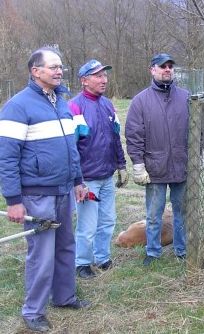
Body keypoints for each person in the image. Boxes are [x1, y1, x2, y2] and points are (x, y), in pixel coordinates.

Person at [0, 47, 90, 332]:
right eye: (53, 67)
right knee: (42, 253)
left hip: (64, 191)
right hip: (37, 193)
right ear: (35, 71)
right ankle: (33, 310)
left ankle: (64, 296)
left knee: (65, 246)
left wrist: (78, 180)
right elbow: (7, 157)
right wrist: (14, 200)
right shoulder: (18, 106)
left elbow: (71, 148)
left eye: (61, 67)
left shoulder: (61, 102)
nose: (59, 71)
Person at [125, 53, 190, 266]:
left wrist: (195, 160)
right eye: (163, 66)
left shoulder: (186, 97)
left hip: (181, 166)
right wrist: (137, 164)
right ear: (152, 70)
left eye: (170, 66)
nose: (167, 69)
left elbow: (197, 132)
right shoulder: (140, 101)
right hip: (155, 167)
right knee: (154, 214)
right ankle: (153, 252)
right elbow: (134, 136)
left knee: (182, 211)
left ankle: (182, 250)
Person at [68, 59, 129, 279]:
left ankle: (102, 258)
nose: (104, 80)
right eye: (98, 76)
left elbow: (115, 139)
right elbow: (70, 148)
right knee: (87, 224)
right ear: (84, 80)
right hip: (88, 179)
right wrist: (78, 180)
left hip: (107, 176)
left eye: (105, 75)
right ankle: (82, 262)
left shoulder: (108, 105)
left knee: (108, 220)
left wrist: (121, 165)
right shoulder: (74, 107)